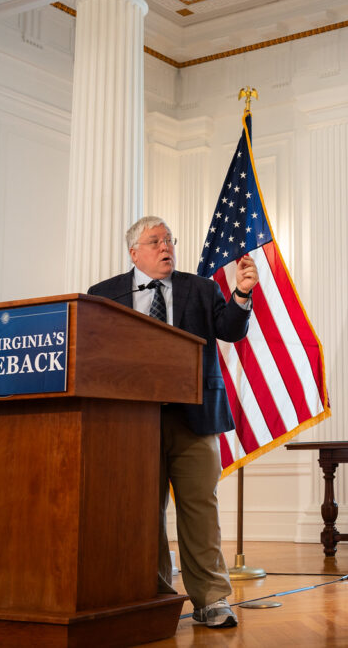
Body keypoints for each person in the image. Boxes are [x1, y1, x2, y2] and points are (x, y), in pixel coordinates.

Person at [88, 215, 258, 629]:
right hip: (132, 422)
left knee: (200, 509)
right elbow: (94, 349)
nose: (166, 247)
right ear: (134, 252)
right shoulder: (104, 294)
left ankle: (211, 600)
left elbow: (230, 331)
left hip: (193, 418)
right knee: (144, 513)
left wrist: (240, 295)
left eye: (169, 240)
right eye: (155, 241)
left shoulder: (200, 288)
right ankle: (156, 597)